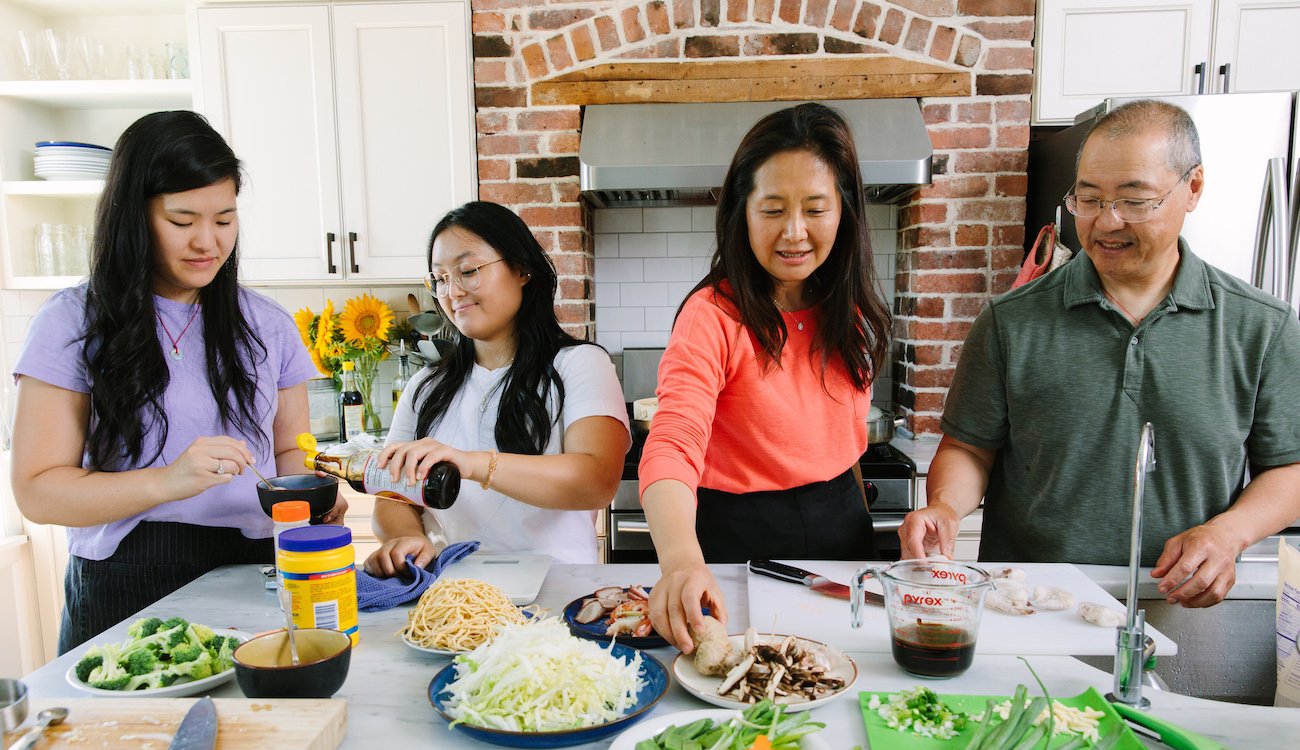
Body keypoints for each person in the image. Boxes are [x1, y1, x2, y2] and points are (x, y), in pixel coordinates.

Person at [900, 99, 1300, 608]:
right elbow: (969, 449)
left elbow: (1290, 468)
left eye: (1135, 201)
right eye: (1087, 199)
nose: (1106, 222)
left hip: (1180, 602)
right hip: (1032, 603)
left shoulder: (1262, 327)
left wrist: (1230, 533)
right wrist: (946, 508)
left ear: (1192, 187)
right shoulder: (1010, 320)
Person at [10, 110, 344, 653]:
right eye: (182, 221)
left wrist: (308, 501)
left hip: (254, 571)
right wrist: (167, 480)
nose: (207, 242)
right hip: (126, 584)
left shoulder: (268, 325)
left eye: (225, 219)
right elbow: (37, 491)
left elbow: (290, 452)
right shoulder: (71, 322)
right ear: (133, 217)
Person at [641, 103, 892, 651]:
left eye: (816, 209)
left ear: (844, 212)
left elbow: (844, 451)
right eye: (773, 209)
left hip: (845, 530)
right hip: (739, 537)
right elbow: (673, 440)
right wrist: (682, 561)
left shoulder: (849, 314)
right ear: (743, 213)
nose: (795, 232)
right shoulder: (712, 315)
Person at [361, 201, 628, 572]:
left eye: (467, 271)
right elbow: (391, 495)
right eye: (439, 279)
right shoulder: (426, 387)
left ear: (521, 269)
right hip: (454, 595)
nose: (452, 292)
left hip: (559, 590)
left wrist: (473, 464)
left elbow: (596, 481)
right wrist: (408, 538)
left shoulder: (579, 364)